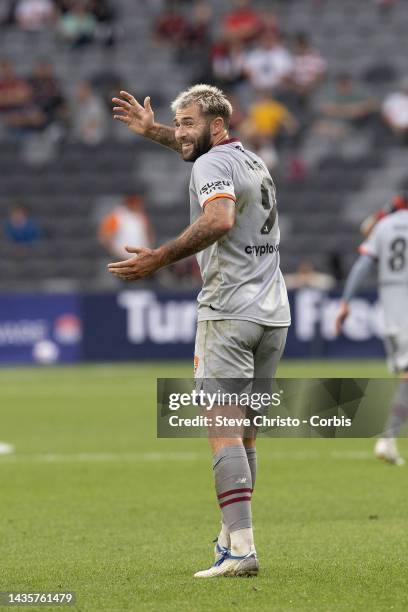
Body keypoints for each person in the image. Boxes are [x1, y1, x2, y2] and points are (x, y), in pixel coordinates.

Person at [111, 84, 290, 577]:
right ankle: (231, 538)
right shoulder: (250, 160)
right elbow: (198, 152)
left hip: (228, 311)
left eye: (188, 123)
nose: (182, 133)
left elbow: (218, 219)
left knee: (220, 430)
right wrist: (155, 133)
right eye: (179, 123)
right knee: (245, 435)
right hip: (272, 313)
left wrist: (159, 257)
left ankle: (242, 550)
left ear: (216, 125)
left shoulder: (211, 166)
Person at [335, 203, 408, 465]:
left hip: (390, 313)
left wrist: (345, 302)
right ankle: (387, 439)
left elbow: (362, 265)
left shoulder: (384, 226)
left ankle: (389, 439)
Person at [98, 194, 154, 259]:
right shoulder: (118, 215)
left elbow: (149, 234)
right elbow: (105, 236)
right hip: (121, 257)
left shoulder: (141, 216)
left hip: (139, 257)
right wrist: (115, 252)